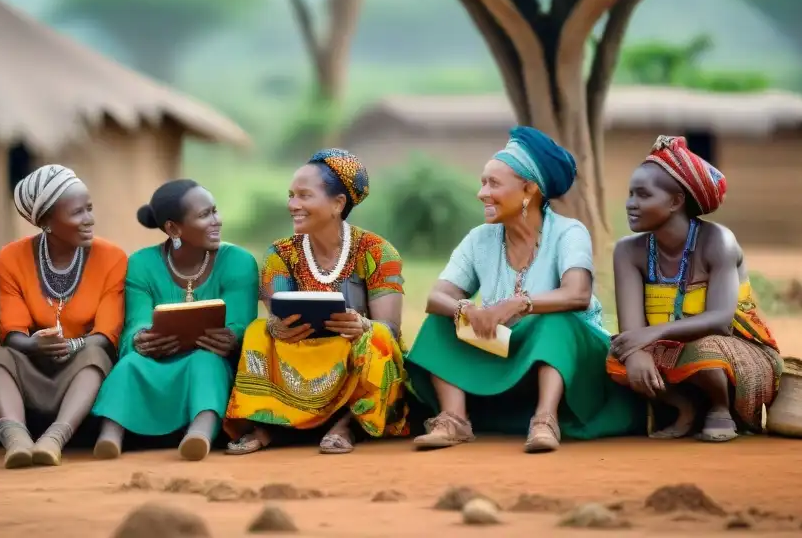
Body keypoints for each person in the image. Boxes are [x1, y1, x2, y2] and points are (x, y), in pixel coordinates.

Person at [406, 127, 644, 452]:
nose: (482, 193)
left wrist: (520, 303)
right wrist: (467, 309)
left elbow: (577, 295)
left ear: (528, 189)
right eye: (482, 182)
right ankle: (453, 419)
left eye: (493, 183)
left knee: (555, 321)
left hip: (571, 356)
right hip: (507, 351)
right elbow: (437, 297)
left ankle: (545, 420)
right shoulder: (480, 239)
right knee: (443, 319)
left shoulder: (568, 232)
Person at [225, 148, 408, 455]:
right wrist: (279, 327)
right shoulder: (281, 253)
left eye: (304, 196)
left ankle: (349, 424)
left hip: (353, 352)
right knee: (260, 330)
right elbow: (279, 314)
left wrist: (360, 324)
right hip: (304, 349)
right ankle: (269, 425)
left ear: (338, 203)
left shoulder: (377, 251)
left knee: (377, 337)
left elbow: (389, 327)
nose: (292, 205)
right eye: (291, 195)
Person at [606, 135, 782, 442]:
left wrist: (653, 334)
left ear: (676, 201)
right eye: (630, 194)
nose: (630, 204)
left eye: (643, 195)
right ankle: (683, 406)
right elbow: (631, 329)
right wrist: (636, 352)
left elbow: (720, 321)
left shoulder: (718, 242)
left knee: (703, 350)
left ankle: (719, 407)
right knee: (615, 354)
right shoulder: (627, 251)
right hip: (668, 348)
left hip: (731, 348)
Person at [91, 179, 259, 461]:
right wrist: (141, 338)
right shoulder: (142, 263)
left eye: (215, 211)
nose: (217, 221)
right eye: (205, 215)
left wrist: (232, 337)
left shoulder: (239, 261)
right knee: (131, 363)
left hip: (211, 357)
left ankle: (200, 434)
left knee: (206, 362)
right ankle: (109, 437)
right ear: (173, 228)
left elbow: (242, 322)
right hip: (157, 358)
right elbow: (135, 321)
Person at [0, 165, 125, 467]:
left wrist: (71, 346)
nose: (89, 219)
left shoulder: (111, 257)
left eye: (89, 209)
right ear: (47, 221)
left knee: (95, 357)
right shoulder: (12, 257)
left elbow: (106, 334)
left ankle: (54, 439)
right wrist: (35, 345)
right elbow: (11, 332)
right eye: (78, 213)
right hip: (33, 368)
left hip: (81, 374)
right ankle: (16, 439)